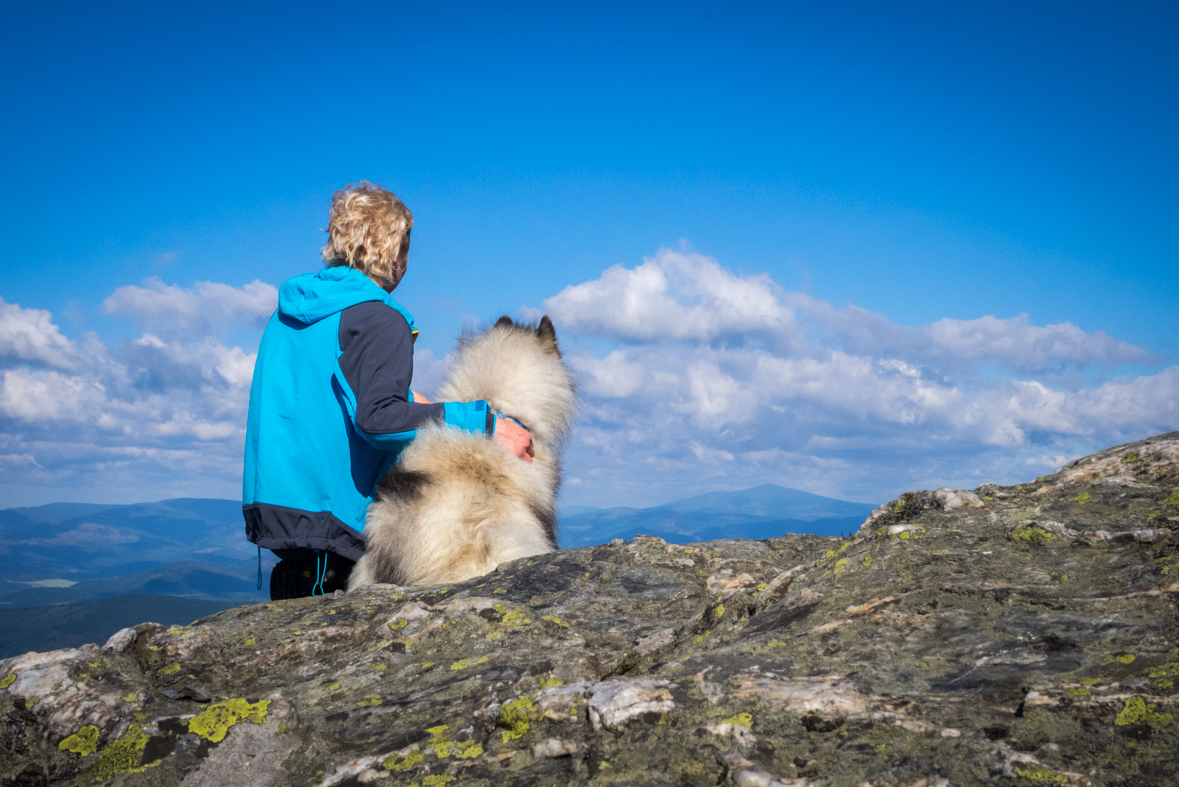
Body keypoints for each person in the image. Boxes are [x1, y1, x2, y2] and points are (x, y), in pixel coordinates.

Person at [242, 182, 534, 599]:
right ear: (393, 251)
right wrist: (486, 424)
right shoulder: (379, 320)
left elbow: (326, 394)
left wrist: (415, 403)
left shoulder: (290, 316)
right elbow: (376, 420)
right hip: (334, 545)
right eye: (407, 248)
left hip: (283, 530)